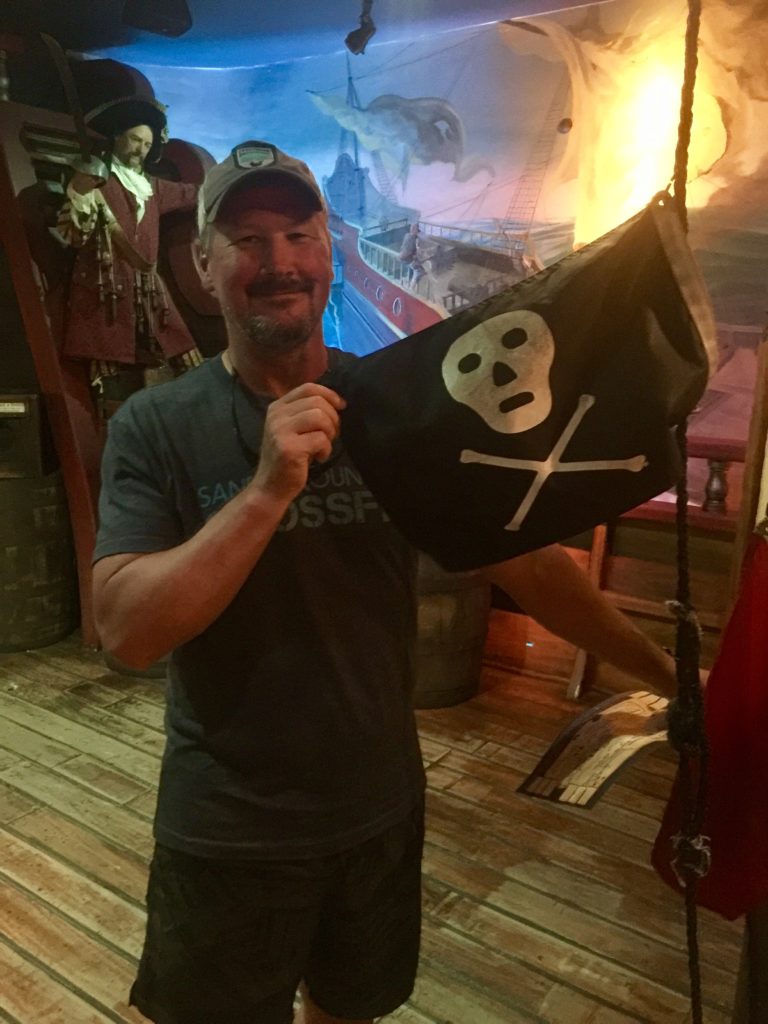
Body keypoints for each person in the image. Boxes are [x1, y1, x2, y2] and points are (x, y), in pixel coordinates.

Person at [92, 139, 678, 1024]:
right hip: (229, 828)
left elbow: (524, 561)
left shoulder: (403, 407)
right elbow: (128, 633)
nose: (277, 261)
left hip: (377, 810)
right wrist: (266, 490)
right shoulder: (156, 425)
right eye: (246, 240)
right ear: (204, 265)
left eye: (297, 233)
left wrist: (676, 680)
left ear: (330, 253)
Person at [57, 97, 203, 417]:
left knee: (181, 372)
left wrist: (228, 186)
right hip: (105, 291)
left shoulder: (151, 188)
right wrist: (82, 199)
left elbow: (194, 195)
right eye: (135, 139)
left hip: (150, 295)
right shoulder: (95, 178)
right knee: (110, 384)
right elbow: (73, 233)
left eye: (147, 143)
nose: (140, 149)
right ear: (118, 137)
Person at [398, 221, 426, 287]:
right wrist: (415, 256)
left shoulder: (406, 235)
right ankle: (412, 286)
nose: (418, 232)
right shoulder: (413, 238)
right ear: (414, 230)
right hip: (407, 259)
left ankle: (407, 279)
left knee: (413, 267)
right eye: (417, 230)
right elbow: (409, 252)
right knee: (420, 270)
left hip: (401, 258)